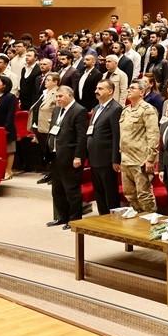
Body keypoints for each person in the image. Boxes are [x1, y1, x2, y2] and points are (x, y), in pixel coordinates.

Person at [118, 80, 160, 214]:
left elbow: (153, 135)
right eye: (128, 88)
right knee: (129, 194)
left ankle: (151, 221)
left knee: (144, 195)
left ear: (142, 92)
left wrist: (150, 159)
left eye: (133, 88)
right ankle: (139, 220)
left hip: (140, 159)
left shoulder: (147, 110)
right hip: (126, 159)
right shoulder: (125, 110)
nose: (129, 90)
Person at [50, 85, 88, 228]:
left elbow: (81, 137)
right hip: (55, 155)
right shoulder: (57, 110)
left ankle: (74, 219)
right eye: (57, 96)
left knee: (71, 190)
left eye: (61, 96)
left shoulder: (79, 111)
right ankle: (63, 217)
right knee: (57, 190)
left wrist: (78, 156)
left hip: (70, 156)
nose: (58, 99)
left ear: (70, 95)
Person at [86, 79, 122, 216]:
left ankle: (112, 219)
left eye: (101, 88)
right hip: (94, 156)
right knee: (99, 191)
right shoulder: (97, 108)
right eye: (97, 88)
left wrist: (115, 159)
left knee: (109, 192)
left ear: (110, 91)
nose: (96, 91)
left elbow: (116, 136)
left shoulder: (115, 108)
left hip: (107, 158)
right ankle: (103, 216)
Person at [0, 74, 18, 179]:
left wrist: (6, 128)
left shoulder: (10, 97)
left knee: (9, 150)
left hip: (6, 128)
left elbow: (11, 114)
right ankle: (0, 170)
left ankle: (8, 171)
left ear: (5, 85)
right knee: (0, 150)